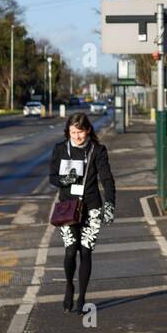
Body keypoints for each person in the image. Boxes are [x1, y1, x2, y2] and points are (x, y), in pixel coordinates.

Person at [48, 112, 116, 313]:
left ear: (88, 131)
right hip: (67, 208)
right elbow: (52, 177)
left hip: (91, 207)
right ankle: (69, 285)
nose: (77, 136)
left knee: (85, 251)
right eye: (73, 132)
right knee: (70, 250)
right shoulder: (60, 149)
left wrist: (110, 204)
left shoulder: (97, 150)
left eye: (80, 132)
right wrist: (63, 181)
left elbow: (107, 179)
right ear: (68, 132)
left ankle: (82, 297)